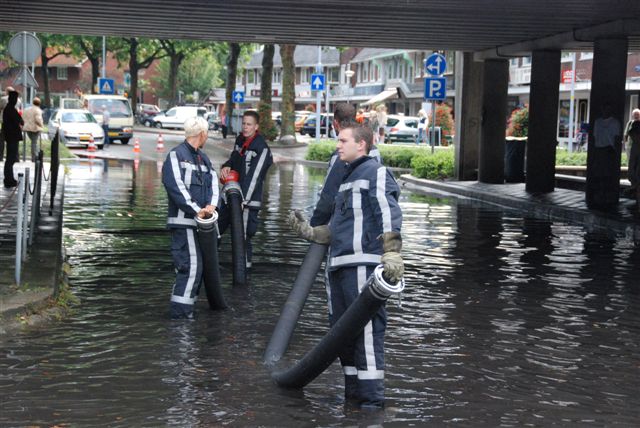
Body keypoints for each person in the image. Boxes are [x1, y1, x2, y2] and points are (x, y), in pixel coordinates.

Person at [289, 123, 403, 408]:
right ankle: (353, 397)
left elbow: (387, 212)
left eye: (342, 140)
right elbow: (339, 228)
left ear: (361, 144)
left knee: (365, 332)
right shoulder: (346, 179)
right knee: (341, 334)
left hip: (361, 267)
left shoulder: (375, 172)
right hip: (339, 267)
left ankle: (372, 403)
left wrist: (392, 253)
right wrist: (311, 232)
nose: (337, 145)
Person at [161, 116, 218, 319]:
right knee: (191, 267)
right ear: (202, 134)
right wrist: (197, 210)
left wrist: (212, 205)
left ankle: (186, 315)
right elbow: (175, 186)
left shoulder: (204, 158)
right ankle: (180, 317)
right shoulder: (176, 156)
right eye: (207, 134)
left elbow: (213, 184)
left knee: (198, 268)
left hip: (200, 225)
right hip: (183, 223)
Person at [308, 103, 381, 227]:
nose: (339, 146)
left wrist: (315, 225)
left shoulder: (341, 155)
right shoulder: (375, 152)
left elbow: (329, 195)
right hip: (367, 224)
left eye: (343, 141)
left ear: (336, 123)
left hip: (346, 225)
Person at [217, 110, 273, 268]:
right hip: (231, 197)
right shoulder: (240, 140)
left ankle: (244, 272)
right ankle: (210, 265)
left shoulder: (261, 148)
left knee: (242, 238)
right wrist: (227, 166)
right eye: (243, 124)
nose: (245, 127)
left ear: (256, 127)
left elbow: (254, 176)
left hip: (247, 202)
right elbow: (234, 159)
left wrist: (244, 200)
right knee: (217, 228)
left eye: (249, 124)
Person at [2, 90, 24, 188]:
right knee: (10, 158)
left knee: (11, 158)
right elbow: (20, 120)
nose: (15, 101)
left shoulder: (10, 109)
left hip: (12, 136)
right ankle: (8, 179)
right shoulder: (10, 109)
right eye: (15, 99)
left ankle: (9, 178)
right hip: (12, 137)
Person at [624, 109, 640, 198]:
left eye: (638, 114)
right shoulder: (630, 123)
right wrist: (625, 144)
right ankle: (634, 186)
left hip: (635, 149)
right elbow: (626, 134)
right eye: (635, 114)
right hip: (630, 147)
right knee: (632, 167)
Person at [22, 97, 44, 162]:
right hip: (35, 128)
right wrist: (41, 125)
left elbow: (23, 117)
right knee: (34, 143)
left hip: (27, 128)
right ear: (39, 103)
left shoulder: (26, 109)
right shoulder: (38, 110)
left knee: (33, 142)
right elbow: (38, 119)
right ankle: (34, 158)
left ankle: (35, 156)